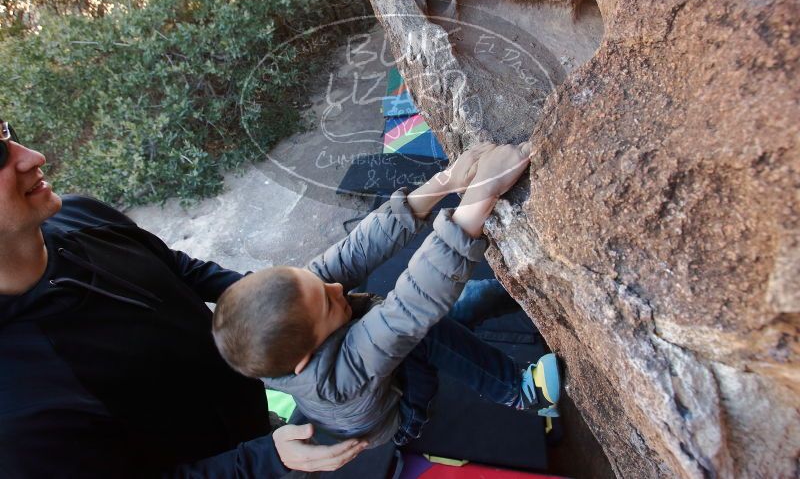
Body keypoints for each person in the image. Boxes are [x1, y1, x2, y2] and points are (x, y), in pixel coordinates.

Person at [0, 119, 367, 478]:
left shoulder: (79, 215)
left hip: (263, 429)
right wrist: (267, 459)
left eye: (5, 132)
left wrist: (289, 304)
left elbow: (178, 268)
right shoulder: (13, 408)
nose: (34, 156)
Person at [212, 143, 562, 447]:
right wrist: (481, 194)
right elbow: (408, 309)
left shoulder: (303, 308)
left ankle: (523, 293)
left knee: (462, 302)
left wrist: (447, 181)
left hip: (376, 358)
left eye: (313, 280)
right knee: (423, 331)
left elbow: (355, 251)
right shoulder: (336, 380)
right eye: (329, 301)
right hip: (401, 411)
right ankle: (519, 391)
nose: (335, 288)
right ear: (306, 358)